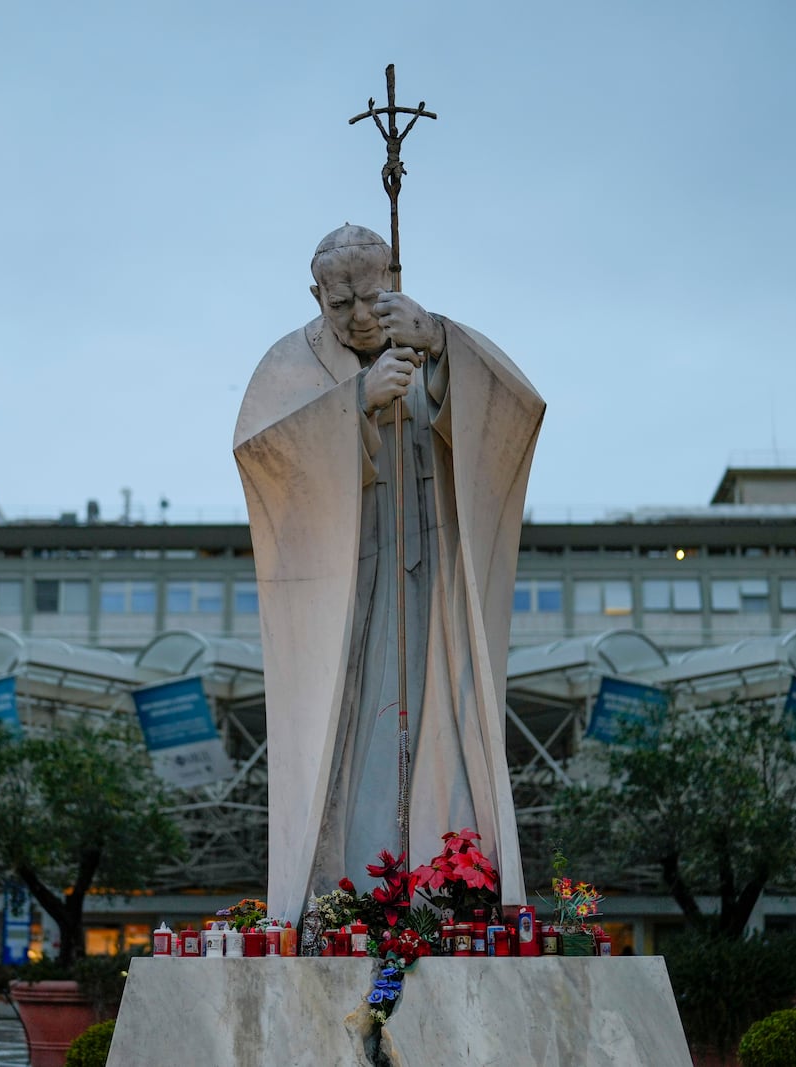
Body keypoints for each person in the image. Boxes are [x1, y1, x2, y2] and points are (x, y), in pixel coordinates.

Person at [234, 224, 544, 923]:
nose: (358, 315)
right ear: (316, 294)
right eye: (339, 303)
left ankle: (449, 887)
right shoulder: (289, 363)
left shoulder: (429, 335)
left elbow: (516, 413)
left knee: (442, 714)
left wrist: (440, 349)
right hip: (340, 583)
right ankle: (342, 898)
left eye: (372, 295)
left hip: (430, 574)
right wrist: (355, 405)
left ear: (394, 276)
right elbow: (263, 457)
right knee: (349, 726)